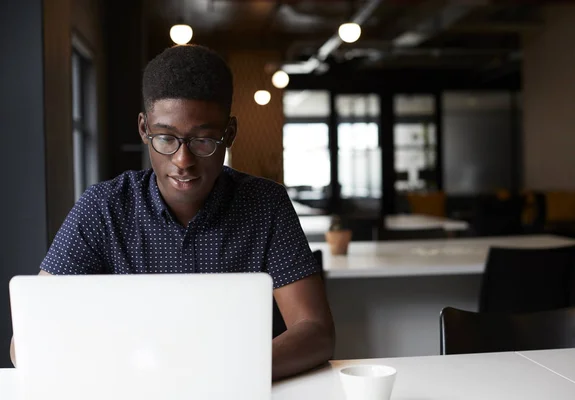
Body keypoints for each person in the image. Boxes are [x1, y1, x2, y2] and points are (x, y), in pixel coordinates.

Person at [10, 44, 335, 380]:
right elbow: (26, 343)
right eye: (165, 138)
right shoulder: (103, 208)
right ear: (143, 128)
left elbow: (316, 331)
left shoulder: (266, 204)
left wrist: (223, 373)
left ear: (230, 134)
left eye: (203, 141)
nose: (183, 161)